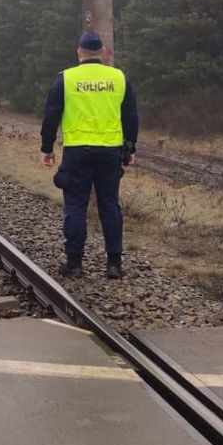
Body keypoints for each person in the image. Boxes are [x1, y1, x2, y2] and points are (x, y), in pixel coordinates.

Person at [40, 30, 138, 280]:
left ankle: (74, 264)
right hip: (110, 151)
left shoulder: (66, 79)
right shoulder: (119, 78)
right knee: (110, 206)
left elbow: (51, 115)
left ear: (79, 52)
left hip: (77, 152)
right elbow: (130, 116)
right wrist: (130, 148)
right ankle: (114, 264)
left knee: (75, 206)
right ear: (103, 52)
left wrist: (47, 148)